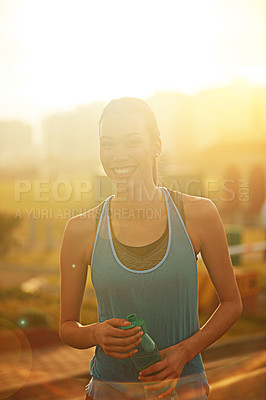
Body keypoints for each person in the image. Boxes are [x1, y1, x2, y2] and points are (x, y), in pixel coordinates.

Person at [59, 97, 243, 400]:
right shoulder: (80, 231)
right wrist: (94, 333)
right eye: (108, 144)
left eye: (132, 142)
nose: (118, 156)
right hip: (110, 390)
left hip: (185, 389)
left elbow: (232, 304)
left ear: (156, 145)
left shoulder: (199, 215)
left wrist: (184, 352)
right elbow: (67, 327)